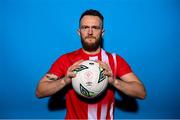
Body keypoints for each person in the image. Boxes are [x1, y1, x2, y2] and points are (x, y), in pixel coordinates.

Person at [36, 9, 146, 119]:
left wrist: (114, 82)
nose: (90, 32)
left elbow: (141, 92)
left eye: (95, 28)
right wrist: (64, 81)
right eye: (85, 27)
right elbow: (40, 91)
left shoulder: (114, 60)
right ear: (79, 32)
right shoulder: (66, 59)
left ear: (102, 32)